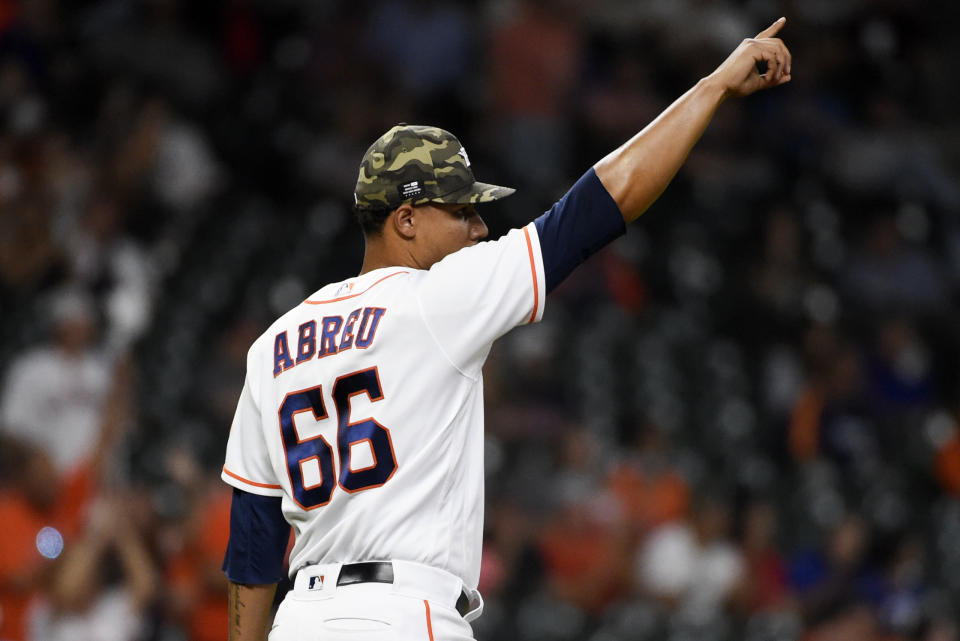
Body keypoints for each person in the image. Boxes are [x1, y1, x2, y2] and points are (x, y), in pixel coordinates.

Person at [220, 18, 792, 641]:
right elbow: (606, 201)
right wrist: (710, 88)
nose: (478, 229)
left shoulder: (273, 346)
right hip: (404, 615)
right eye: (461, 211)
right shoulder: (438, 298)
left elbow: (253, 547)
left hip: (302, 620)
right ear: (405, 220)